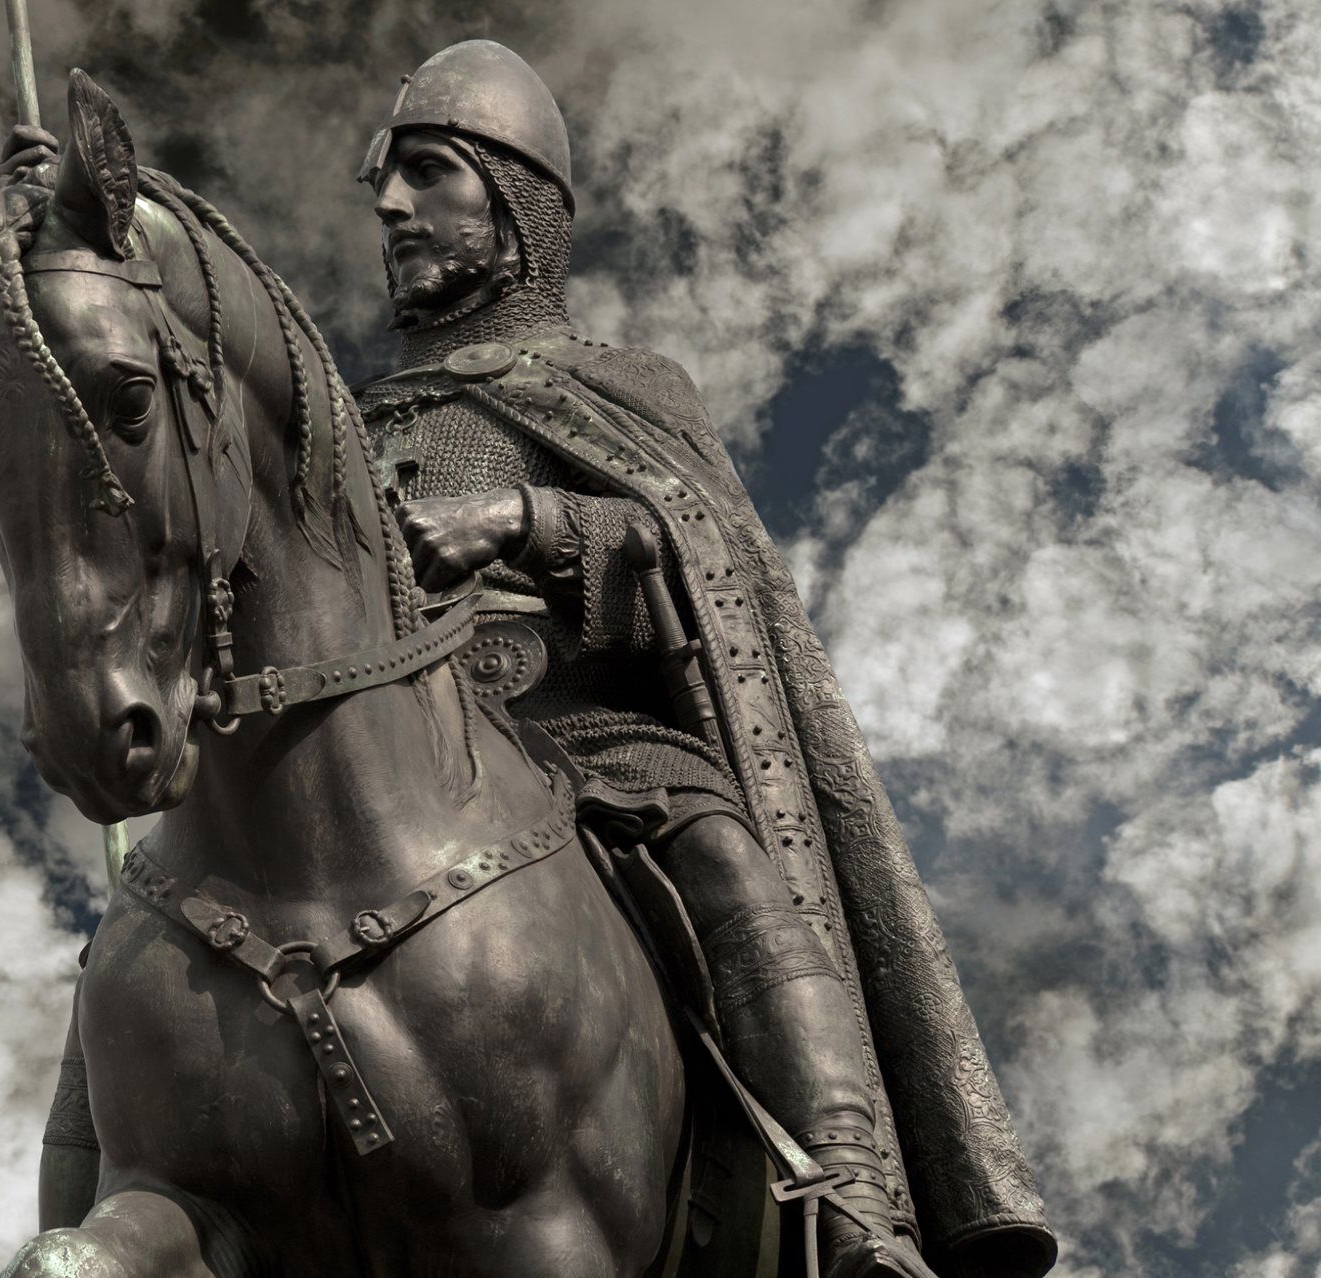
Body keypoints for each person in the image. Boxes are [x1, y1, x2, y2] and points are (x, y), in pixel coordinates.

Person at [352, 40, 1054, 1278]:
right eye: (387, 188)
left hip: (591, 745)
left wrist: (523, 521)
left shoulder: (613, 385)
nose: (392, 209)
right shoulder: (345, 422)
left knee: (729, 863)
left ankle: (852, 1206)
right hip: (375, 757)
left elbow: (693, 554)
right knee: (149, 941)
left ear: (512, 213)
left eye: (425, 175)